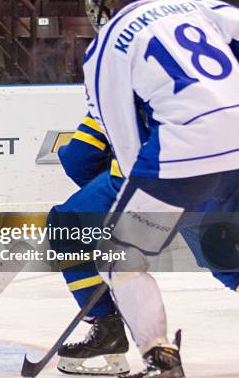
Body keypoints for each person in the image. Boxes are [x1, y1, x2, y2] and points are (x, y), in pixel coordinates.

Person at [81, 0, 239, 377]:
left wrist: (149, 211)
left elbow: (125, 140)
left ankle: (160, 358)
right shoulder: (199, 5)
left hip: (185, 153)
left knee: (120, 255)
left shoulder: (106, 45)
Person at [50, 114, 239, 376]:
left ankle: (106, 327)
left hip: (158, 186)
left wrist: (116, 198)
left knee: (68, 224)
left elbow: (79, 159)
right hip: (222, 180)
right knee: (228, 266)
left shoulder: (123, 80)